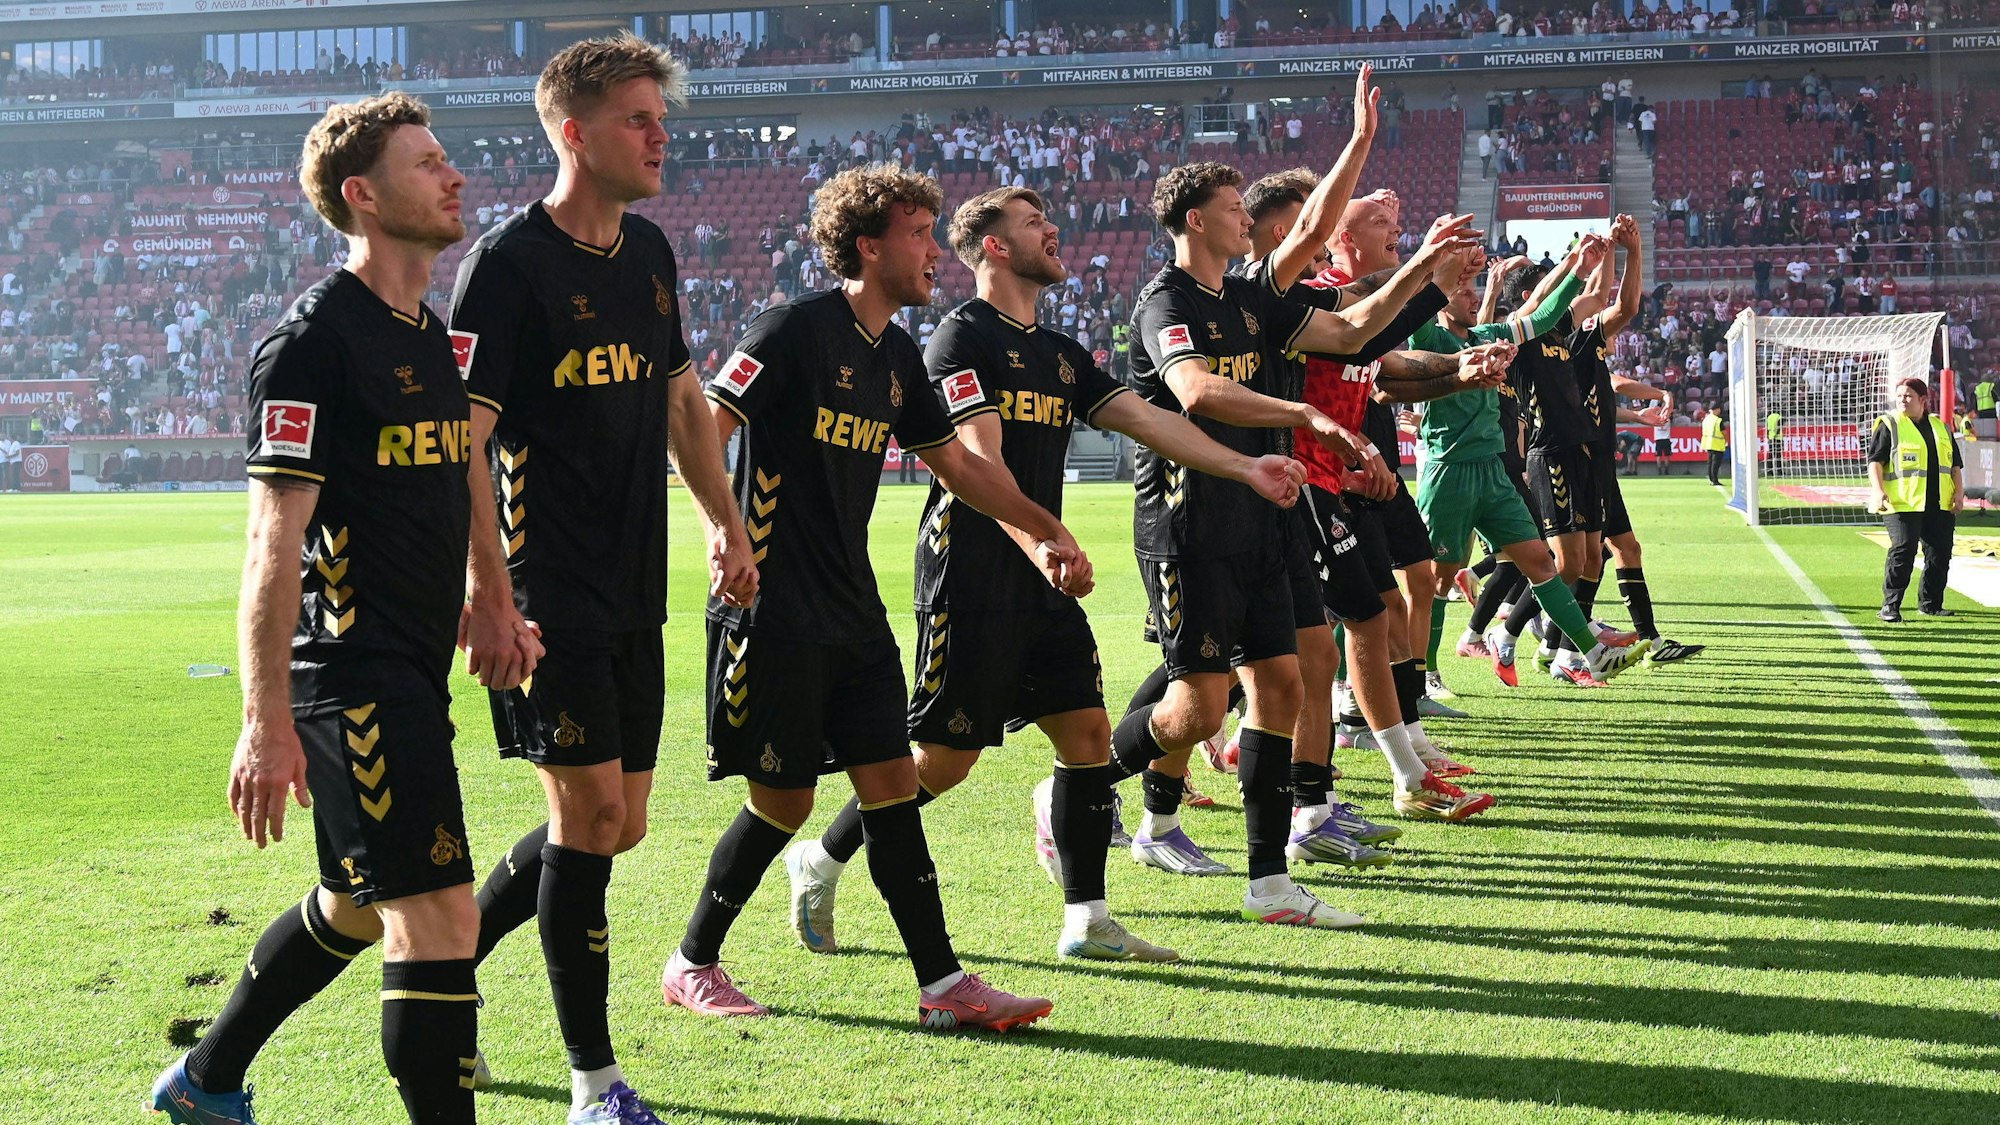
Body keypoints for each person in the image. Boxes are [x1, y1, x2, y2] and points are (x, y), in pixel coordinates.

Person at [783, 186, 1308, 965]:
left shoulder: (1060, 352)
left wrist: (1245, 463)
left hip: (1043, 572)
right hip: (974, 574)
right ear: (994, 247)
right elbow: (978, 463)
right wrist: (1044, 543)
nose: (1055, 229)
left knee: (1089, 733)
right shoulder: (959, 342)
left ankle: (1086, 918)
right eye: (1033, 224)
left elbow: (1149, 418)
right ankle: (820, 856)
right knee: (941, 764)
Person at [667, 163, 1088, 1031]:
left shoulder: (897, 355)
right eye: (919, 235)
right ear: (869, 245)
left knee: (894, 782)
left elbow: (962, 466)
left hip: (853, 611)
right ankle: (692, 960)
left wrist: (1043, 526)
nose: (936, 251)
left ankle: (943, 987)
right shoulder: (790, 329)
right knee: (781, 802)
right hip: (770, 608)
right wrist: (724, 526)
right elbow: (702, 424)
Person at [150, 92, 487, 1125]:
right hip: (352, 676)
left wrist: (488, 596)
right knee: (437, 915)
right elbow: (272, 541)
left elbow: (449, 485)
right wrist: (265, 723)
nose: (453, 175)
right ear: (363, 195)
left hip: (413, 665)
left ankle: (205, 1079)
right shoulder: (311, 344)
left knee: (351, 901)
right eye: (426, 162)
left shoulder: (431, 334)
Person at [449, 35, 752, 1123]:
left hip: (636, 588)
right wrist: (490, 594)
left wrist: (726, 524)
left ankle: (445, 969)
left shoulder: (651, 253)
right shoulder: (508, 265)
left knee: (618, 825)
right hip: (547, 594)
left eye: (659, 116)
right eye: (637, 117)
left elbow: (682, 403)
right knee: (585, 824)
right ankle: (595, 1086)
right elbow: (462, 443)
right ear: (573, 132)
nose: (660, 133)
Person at [1107, 159, 1470, 929]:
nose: (1245, 218)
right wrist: (1305, 418)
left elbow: (1353, 332)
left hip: (1267, 513)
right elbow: (1198, 391)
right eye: (1232, 208)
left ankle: (1271, 880)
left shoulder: (1249, 298)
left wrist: (1425, 272)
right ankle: (1083, 782)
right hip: (1191, 524)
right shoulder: (1164, 302)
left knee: (1287, 683)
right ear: (1196, 221)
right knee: (1202, 703)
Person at [1868, 377, 1962, 621]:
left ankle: (1930, 604)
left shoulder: (1941, 427)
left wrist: (1958, 493)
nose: (1902, 400)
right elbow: (1875, 462)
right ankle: (1890, 606)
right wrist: (1878, 490)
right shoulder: (1890, 424)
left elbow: (1955, 466)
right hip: (1901, 503)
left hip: (1939, 504)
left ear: (1923, 400)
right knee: (1903, 551)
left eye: (1908, 396)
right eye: (1899, 396)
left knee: (1940, 554)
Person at [1702, 402, 1728, 485]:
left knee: (1710, 462)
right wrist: (1726, 441)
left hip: (1708, 443)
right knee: (1716, 464)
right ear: (1717, 410)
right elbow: (1724, 433)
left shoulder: (1706, 419)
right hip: (1717, 444)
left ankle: (1711, 478)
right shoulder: (1718, 420)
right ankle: (1714, 480)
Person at [1766, 406, 1784, 476]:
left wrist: (1769, 436)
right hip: (1778, 438)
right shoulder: (1779, 416)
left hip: (1771, 438)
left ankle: (1769, 472)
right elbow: (1779, 427)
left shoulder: (1769, 417)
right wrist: (1776, 434)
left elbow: (1768, 428)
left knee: (1770, 456)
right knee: (1778, 456)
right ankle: (1780, 472)